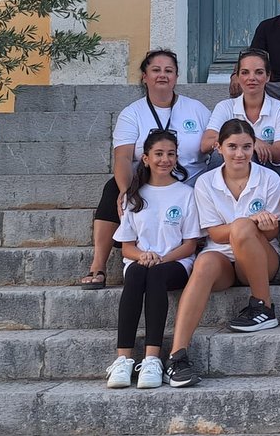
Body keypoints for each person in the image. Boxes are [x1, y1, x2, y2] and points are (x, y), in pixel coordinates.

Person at [163, 120, 280, 388]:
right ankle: (177, 355)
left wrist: (262, 227)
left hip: (261, 260)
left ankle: (263, 306)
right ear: (219, 148)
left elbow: (273, 233)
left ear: (254, 147)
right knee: (204, 262)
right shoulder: (206, 182)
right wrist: (249, 223)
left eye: (246, 147)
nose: (239, 154)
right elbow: (215, 234)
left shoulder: (269, 179)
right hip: (223, 257)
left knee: (242, 227)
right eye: (232, 147)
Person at [78, 49, 210, 291]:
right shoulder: (132, 113)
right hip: (149, 184)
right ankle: (98, 265)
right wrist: (125, 191)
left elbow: (214, 144)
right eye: (156, 70)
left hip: (190, 184)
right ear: (144, 77)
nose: (162, 75)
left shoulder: (197, 109)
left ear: (176, 76)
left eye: (169, 70)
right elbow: (123, 157)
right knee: (112, 189)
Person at [104, 130, 202, 389]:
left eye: (171, 154)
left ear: (177, 158)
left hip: (176, 262)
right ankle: (123, 360)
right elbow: (127, 248)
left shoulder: (186, 194)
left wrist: (163, 259)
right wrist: (143, 256)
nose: (165, 159)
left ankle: (152, 359)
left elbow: (190, 244)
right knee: (137, 273)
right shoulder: (134, 196)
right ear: (146, 158)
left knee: (156, 274)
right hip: (140, 262)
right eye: (158, 154)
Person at [204, 48, 280, 169]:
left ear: (268, 76)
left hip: (265, 170)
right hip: (228, 171)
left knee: (247, 154)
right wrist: (250, 141)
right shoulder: (225, 107)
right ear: (237, 77)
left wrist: (246, 146)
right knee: (220, 155)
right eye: (245, 72)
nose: (251, 78)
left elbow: (279, 155)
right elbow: (205, 144)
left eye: (259, 72)